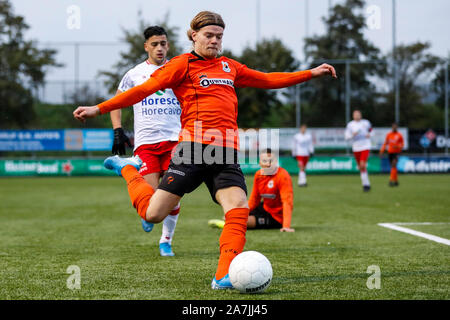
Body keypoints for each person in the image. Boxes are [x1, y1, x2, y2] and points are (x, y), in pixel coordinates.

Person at [73, 11, 337, 290]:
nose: (214, 41)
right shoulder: (181, 65)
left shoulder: (229, 67)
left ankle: (222, 275)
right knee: (152, 214)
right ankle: (127, 169)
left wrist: (311, 73)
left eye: (219, 36)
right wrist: (99, 108)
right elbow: (144, 89)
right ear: (193, 36)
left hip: (225, 153)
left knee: (237, 207)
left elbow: (268, 79)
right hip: (193, 150)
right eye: (209, 35)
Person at [110, 26, 182, 257]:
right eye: (154, 44)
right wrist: (118, 130)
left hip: (174, 141)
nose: (159, 48)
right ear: (146, 47)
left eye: (163, 43)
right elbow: (116, 102)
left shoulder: (178, 70)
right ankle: (146, 212)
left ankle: (166, 242)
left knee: (172, 194)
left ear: (168, 45)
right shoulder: (134, 74)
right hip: (146, 144)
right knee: (150, 201)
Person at [209, 149, 294, 232]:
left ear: (276, 162)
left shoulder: (283, 176)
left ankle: (227, 224)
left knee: (245, 222)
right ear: (260, 163)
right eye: (265, 161)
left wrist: (286, 226)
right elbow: (254, 199)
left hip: (276, 216)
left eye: (271, 161)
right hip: (264, 208)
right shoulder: (258, 175)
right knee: (237, 213)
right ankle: (229, 221)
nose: (268, 164)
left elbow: (287, 202)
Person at [345, 110, 373, 192]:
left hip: (365, 146)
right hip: (356, 147)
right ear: (353, 116)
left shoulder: (366, 123)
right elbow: (346, 136)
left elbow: (371, 130)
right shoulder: (350, 125)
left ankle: (366, 185)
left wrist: (369, 134)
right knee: (361, 167)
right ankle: (366, 183)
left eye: (358, 114)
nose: (357, 116)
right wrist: (352, 135)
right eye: (355, 114)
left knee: (362, 164)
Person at [379, 122, 404, 187]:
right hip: (390, 152)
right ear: (392, 127)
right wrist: (382, 151)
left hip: (396, 152)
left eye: (395, 126)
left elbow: (402, 144)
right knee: (393, 167)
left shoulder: (399, 135)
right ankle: (396, 181)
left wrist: (398, 146)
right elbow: (385, 143)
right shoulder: (389, 135)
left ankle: (391, 180)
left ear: (397, 127)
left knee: (393, 164)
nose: (394, 127)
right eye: (393, 126)